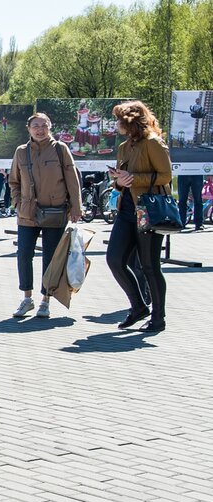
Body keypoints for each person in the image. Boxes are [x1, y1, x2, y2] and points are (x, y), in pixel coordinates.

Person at [105, 100, 172, 333]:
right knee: (114, 260)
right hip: (126, 210)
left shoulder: (153, 143)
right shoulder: (124, 146)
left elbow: (165, 176)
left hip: (149, 210)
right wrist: (118, 180)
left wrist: (132, 178)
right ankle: (138, 307)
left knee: (149, 265)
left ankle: (158, 318)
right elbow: (120, 179)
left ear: (130, 121)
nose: (116, 125)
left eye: (119, 120)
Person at [8, 113, 82, 319]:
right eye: (35, 126)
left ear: (50, 127)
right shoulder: (21, 152)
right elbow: (13, 181)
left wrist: (76, 208)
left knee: (50, 259)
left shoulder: (60, 149)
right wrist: (17, 202)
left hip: (55, 211)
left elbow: (72, 181)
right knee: (23, 254)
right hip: (27, 213)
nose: (40, 130)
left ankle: (45, 300)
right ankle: (26, 298)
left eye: (44, 125)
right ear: (28, 128)